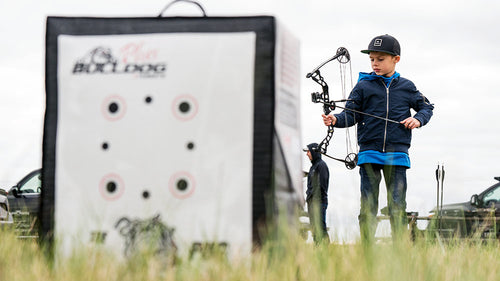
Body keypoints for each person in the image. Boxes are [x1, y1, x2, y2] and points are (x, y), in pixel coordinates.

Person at [322, 34, 434, 244]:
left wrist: (417, 119)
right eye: (372, 59)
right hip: (369, 154)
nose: (375, 63)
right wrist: (334, 119)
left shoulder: (407, 87)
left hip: (397, 155)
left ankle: (400, 249)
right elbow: (350, 115)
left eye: (380, 59)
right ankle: (367, 249)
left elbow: (427, 107)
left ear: (396, 59)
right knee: (368, 206)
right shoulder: (363, 86)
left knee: (397, 205)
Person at [304, 143, 330, 243]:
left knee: (320, 228)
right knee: (315, 229)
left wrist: (315, 200)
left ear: (314, 151)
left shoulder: (321, 165)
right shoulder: (313, 167)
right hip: (311, 203)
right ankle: (318, 249)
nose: (307, 154)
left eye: (308, 151)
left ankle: (326, 250)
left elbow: (322, 186)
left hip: (318, 203)